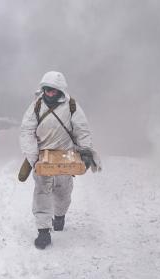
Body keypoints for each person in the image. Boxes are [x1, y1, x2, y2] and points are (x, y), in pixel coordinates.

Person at [20, 71, 101, 249]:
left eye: (53, 90)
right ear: (43, 89)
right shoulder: (36, 106)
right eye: (47, 90)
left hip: (67, 156)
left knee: (63, 193)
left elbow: (82, 130)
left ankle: (59, 216)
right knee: (42, 193)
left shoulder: (72, 106)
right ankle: (43, 231)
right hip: (42, 156)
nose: (49, 93)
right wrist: (34, 159)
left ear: (60, 91)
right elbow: (26, 132)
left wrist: (86, 151)